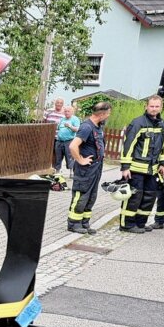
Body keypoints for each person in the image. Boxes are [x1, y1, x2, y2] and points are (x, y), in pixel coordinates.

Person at [118, 95, 164, 233]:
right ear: (146, 106)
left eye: (157, 106)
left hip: (152, 170)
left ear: (161, 107)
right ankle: (126, 224)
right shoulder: (138, 123)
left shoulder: (163, 125)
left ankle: (140, 223)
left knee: (149, 197)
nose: (154, 109)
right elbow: (128, 145)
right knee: (134, 197)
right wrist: (125, 167)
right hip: (136, 168)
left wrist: (163, 164)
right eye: (151, 106)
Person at [67, 100, 112, 234]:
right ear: (102, 114)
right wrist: (80, 160)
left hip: (95, 168)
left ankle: (84, 223)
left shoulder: (97, 126)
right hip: (85, 170)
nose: (109, 116)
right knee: (81, 195)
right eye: (108, 113)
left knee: (91, 196)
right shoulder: (87, 127)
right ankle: (73, 223)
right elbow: (73, 146)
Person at [53, 105, 80, 179]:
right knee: (58, 157)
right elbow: (58, 128)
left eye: (68, 111)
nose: (66, 112)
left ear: (72, 112)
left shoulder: (75, 119)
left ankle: (72, 173)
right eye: (65, 111)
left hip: (69, 141)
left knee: (70, 158)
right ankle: (57, 172)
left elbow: (78, 129)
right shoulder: (62, 119)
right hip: (59, 141)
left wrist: (70, 126)